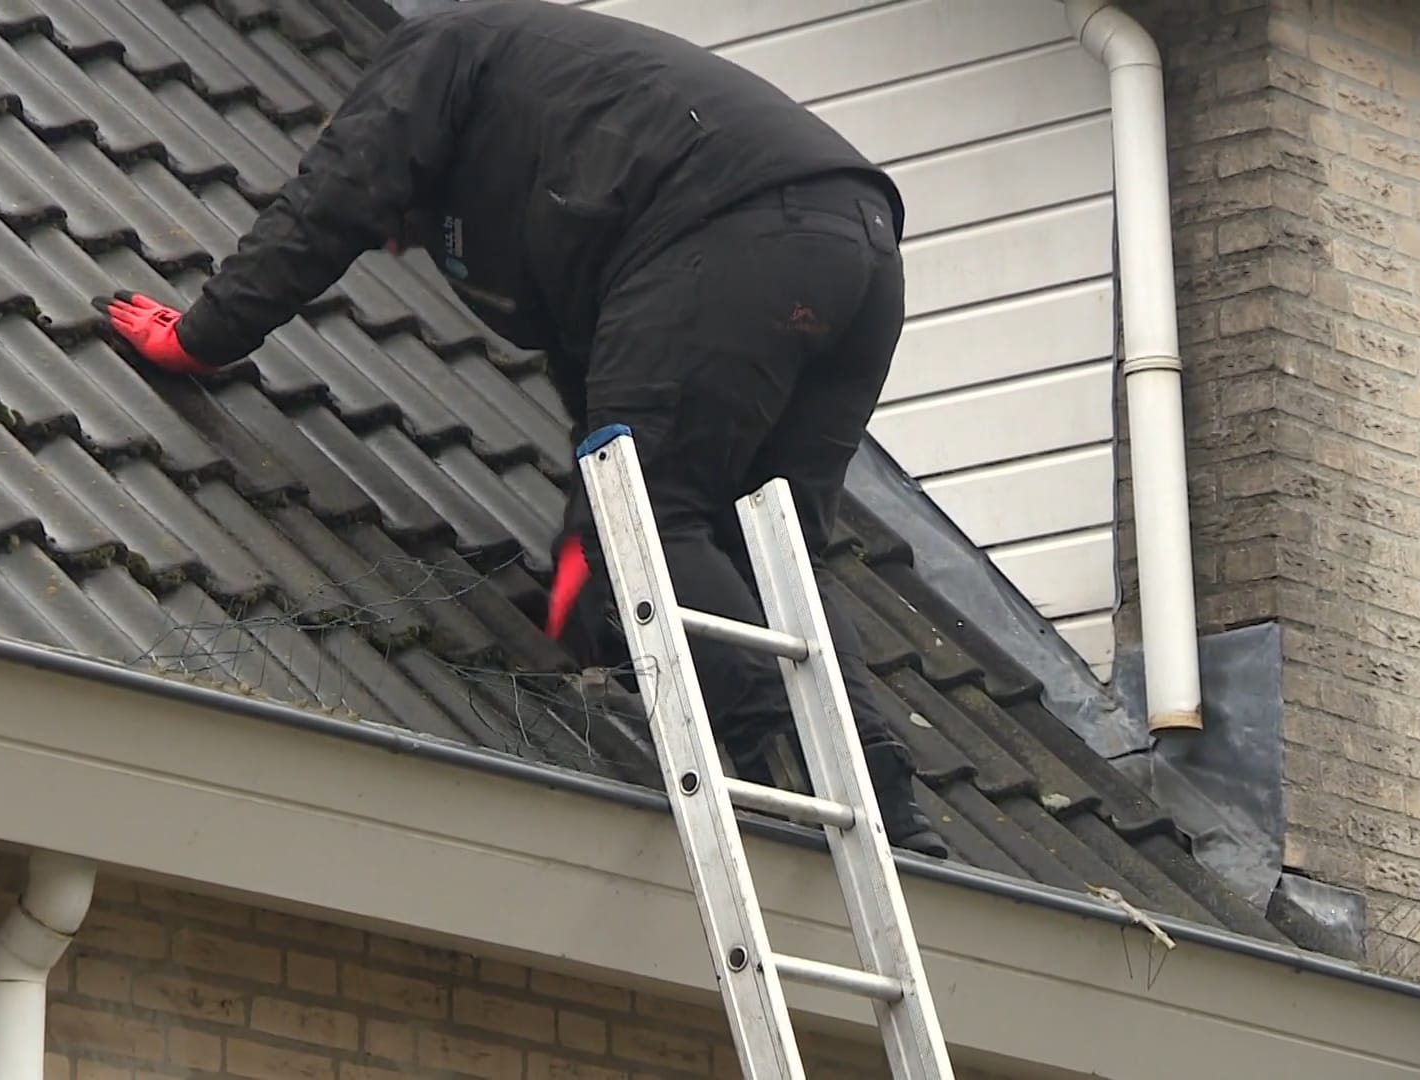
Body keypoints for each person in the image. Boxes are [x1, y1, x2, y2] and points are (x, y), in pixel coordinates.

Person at [102, 0, 950, 858]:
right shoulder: (553, 138)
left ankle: (780, 761)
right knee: (768, 547)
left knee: (648, 523)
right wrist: (580, 556)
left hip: (737, 232)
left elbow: (331, 201)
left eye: (399, 228)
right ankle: (883, 797)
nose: (396, 244)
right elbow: (608, 374)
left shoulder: (432, 57)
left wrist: (201, 338)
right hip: (862, 253)